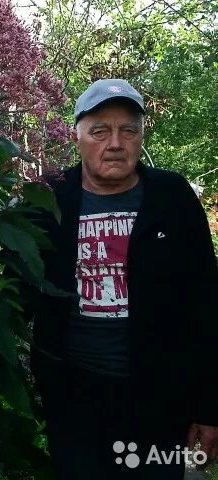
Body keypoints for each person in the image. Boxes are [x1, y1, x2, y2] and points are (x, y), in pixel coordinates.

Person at [29, 79, 218, 479]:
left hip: (160, 397)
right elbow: (18, 288)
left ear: (140, 137)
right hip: (74, 396)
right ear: (76, 137)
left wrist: (209, 406)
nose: (115, 143)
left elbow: (206, 301)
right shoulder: (48, 198)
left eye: (128, 130)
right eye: (100, 131)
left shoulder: (172, 196)